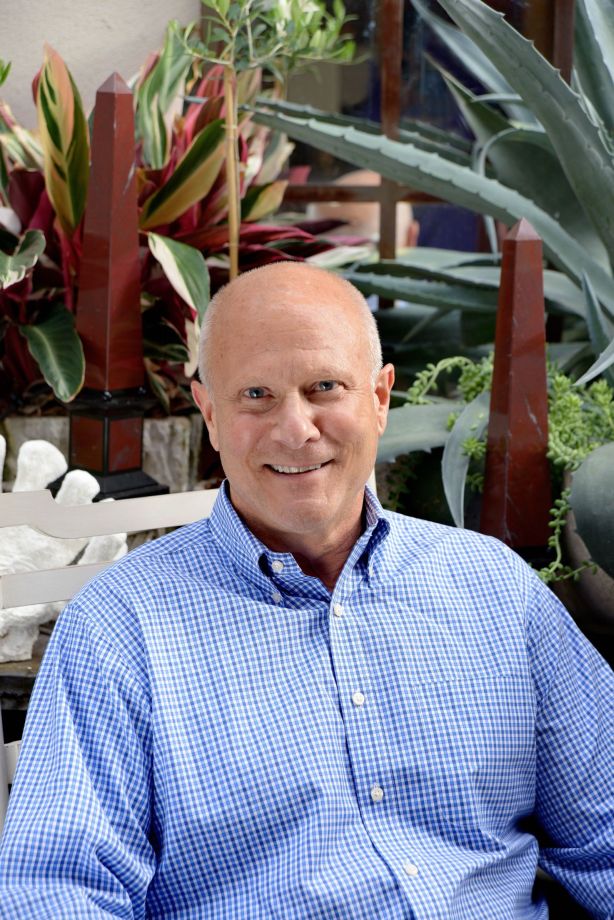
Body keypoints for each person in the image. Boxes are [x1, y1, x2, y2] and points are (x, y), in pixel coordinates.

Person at [0, 262, 612, 919]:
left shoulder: (497, 590)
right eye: (256, 395)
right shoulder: (120, 628)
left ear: (379, 398)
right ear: (208, 411)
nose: (296, 429)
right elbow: (56, 893)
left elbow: (604, 833)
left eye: (324, 387)